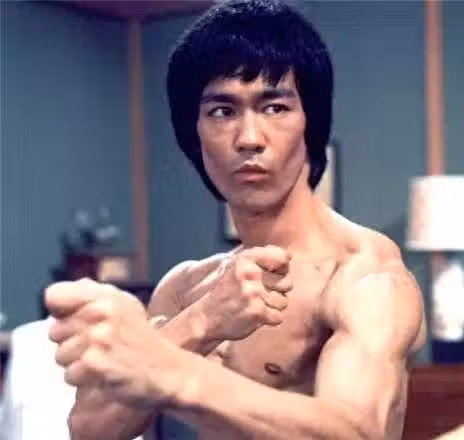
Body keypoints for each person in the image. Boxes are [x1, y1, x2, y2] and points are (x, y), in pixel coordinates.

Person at [44, 1, 426, 439]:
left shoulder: (365, 276)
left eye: (274, 107)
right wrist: (202, 322)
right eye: (222, 112)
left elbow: (357, 433)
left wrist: (171, 370)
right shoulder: (187, 288)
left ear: (311, 124)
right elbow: (89, 429)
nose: (249, 138)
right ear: (194, 136)